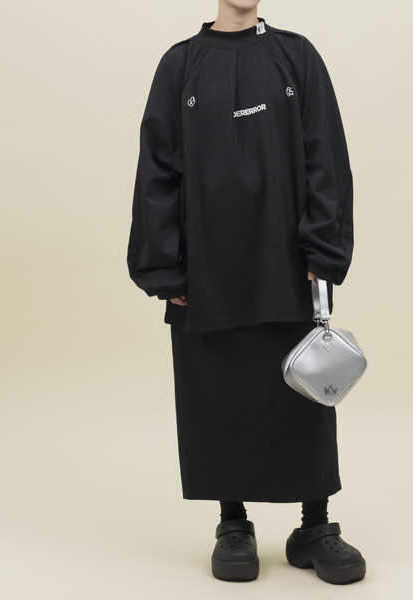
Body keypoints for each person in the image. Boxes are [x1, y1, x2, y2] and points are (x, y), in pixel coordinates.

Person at [126, 0, 366, 585]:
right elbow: (157, 171)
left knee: (306, 391)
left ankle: (314, 526)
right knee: (216, 390)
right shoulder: (180, 65)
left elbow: (325, 155)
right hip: (207, 268)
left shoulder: (296, 57)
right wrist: (166, 267)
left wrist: (323, 250)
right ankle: (232, 523)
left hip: (289, 264)